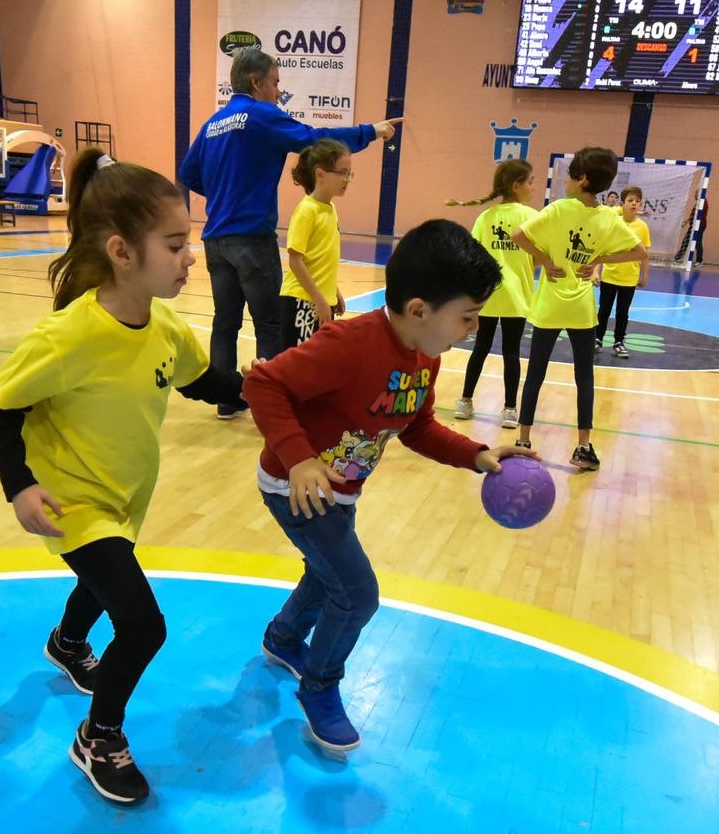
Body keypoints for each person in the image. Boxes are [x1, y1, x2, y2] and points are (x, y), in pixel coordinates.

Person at [0, 150, 245, 804]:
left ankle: (68, 642)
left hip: (123, 495)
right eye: (177, 244)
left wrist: (276, 389)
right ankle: (98, 735)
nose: (193, 257)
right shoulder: (67, 338)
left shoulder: (162, 325)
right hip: (72, 503)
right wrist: (19, 486)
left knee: (101, 583)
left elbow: (206, 383)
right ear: (124, 251)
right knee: (143, 623)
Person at [245, 219, 535, 751]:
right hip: (297, 487)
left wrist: (477, 454)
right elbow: (263, 383)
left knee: (327, 571)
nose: (470, 329)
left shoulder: (427, 353)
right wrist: (301, 458)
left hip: (341, 489)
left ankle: (284, 639)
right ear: (420, 309)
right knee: (356, 595)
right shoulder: (348, 343)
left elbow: (417, 427)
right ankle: (319, 685)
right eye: (467, 317)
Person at [178, 48, 401, 420]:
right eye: (276, 82)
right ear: (256, 82)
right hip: (251, 237)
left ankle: (226, 400)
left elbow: (188, 174)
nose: (279, 91)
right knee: (269, 325)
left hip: (215, 240)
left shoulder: (213, 123)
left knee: (225, 322)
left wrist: (223, 192)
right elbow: (315, 139)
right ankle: (273, 404)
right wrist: (369, 132)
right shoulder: (261, 115)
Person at [510, 147, 648, 470]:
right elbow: (639, 252)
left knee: (535, 375)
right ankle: (584, 448)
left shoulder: (558, 210)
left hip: (550, 305)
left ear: (581, 178)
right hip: (582, 308)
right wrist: (598, 259)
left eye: (571, 175)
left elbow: (519, 236)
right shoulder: (605, 218)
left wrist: (544, 260)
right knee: (584, 377)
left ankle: (523, 440)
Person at [450, 158, 537, 427]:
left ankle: (465, 401)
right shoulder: (531, 217)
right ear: (517, 185)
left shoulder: (485, 217)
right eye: (531, 182)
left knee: (481, 348)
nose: (533, 187)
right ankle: (510, 409)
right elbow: (541, 254)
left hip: (487, 295)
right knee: (512, 352)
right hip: (516, 297)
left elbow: (473, 255)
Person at [279, 140, 350, 348]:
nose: (347, 179)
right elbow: (295, 261)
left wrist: (333, 292)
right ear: (320, 174)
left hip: (320, 301)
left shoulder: (330, 209)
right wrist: (319, 299)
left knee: (316, 367)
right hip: (302, 300)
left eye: (349, 173)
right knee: (298, 369)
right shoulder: (306, 210)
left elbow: (321, 259)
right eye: (342, 172)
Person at [595, 186, 650, 359]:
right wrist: (596, 271)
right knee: (604, 310)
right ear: (622, 204)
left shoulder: (642, 227)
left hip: (629, 278)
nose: (635, 203)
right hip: (610, 276)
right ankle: (597, 339)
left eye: (637, 201)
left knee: (622, 312)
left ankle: (618, 342)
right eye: (631, 200)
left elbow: (645, 254)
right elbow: (600, 249)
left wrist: (644, 275)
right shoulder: (613, 222)